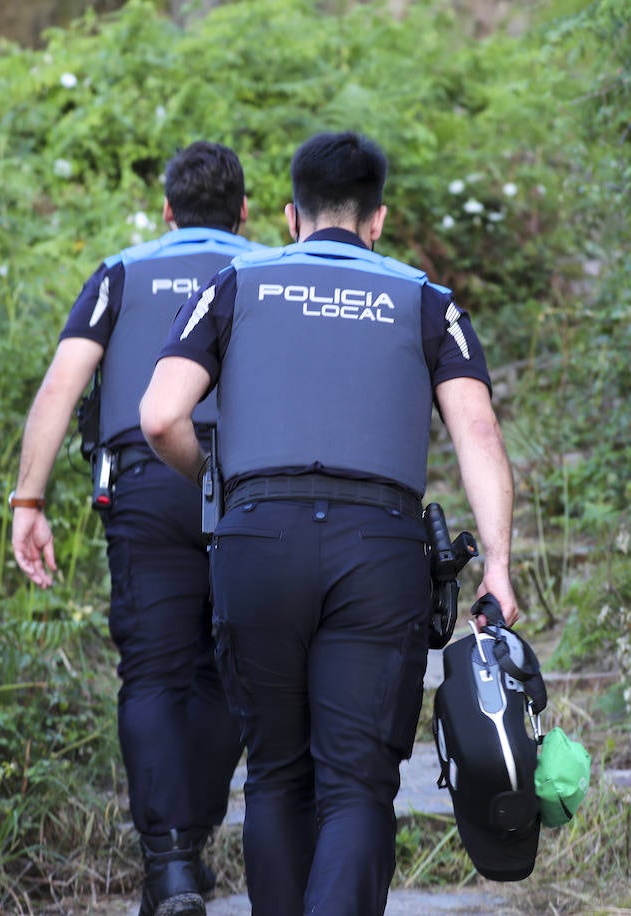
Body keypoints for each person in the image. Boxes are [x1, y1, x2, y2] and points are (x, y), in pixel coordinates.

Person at [140, 130, 519, 916]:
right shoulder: (425, 300)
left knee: (277, 772)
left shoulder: (236, 283)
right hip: (377, 553)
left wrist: (220, 484)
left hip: (257, 541)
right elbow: (477, 433)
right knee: (356, 783)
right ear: (377, 220)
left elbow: (158, 417)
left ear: (289, 215)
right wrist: (498, 567)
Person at [9, 141, 259, 916]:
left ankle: (171, 864)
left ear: (166, 211)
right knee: (230, 670)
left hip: (146, 485)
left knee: (151, 674)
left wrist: (29, 501)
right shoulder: (269, 271)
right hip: (246, 490)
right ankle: (194, 833)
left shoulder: (120, 271)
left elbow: (63, 384)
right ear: (247, 211)